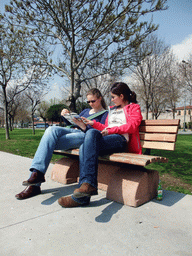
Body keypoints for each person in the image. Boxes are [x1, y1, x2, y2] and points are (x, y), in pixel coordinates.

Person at [58, 82, 143, 208]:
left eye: (113, 97)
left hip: (120, 140)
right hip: (108, 138)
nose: (112, 100)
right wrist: (92, 123)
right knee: (90, 134)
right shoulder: (112, 110)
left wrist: (111, 130)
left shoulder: (134, 108)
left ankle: (86, 188)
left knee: (86, 144)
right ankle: (85, 189)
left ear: (121, 96)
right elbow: (105, 127)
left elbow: (132, 126)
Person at [15, 88, 108, 200]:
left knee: (48, 142)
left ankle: (34, 185)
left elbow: (100, 133)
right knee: (51, 130)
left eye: (93, 101)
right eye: (88, 102)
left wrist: (86, 126)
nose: (90, 104)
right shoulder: (85, 111)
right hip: (75, 131)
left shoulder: (105, 114)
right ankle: (37, 173)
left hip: (86, 136)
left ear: (100, 98)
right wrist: (66, 115)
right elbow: (72, 122)